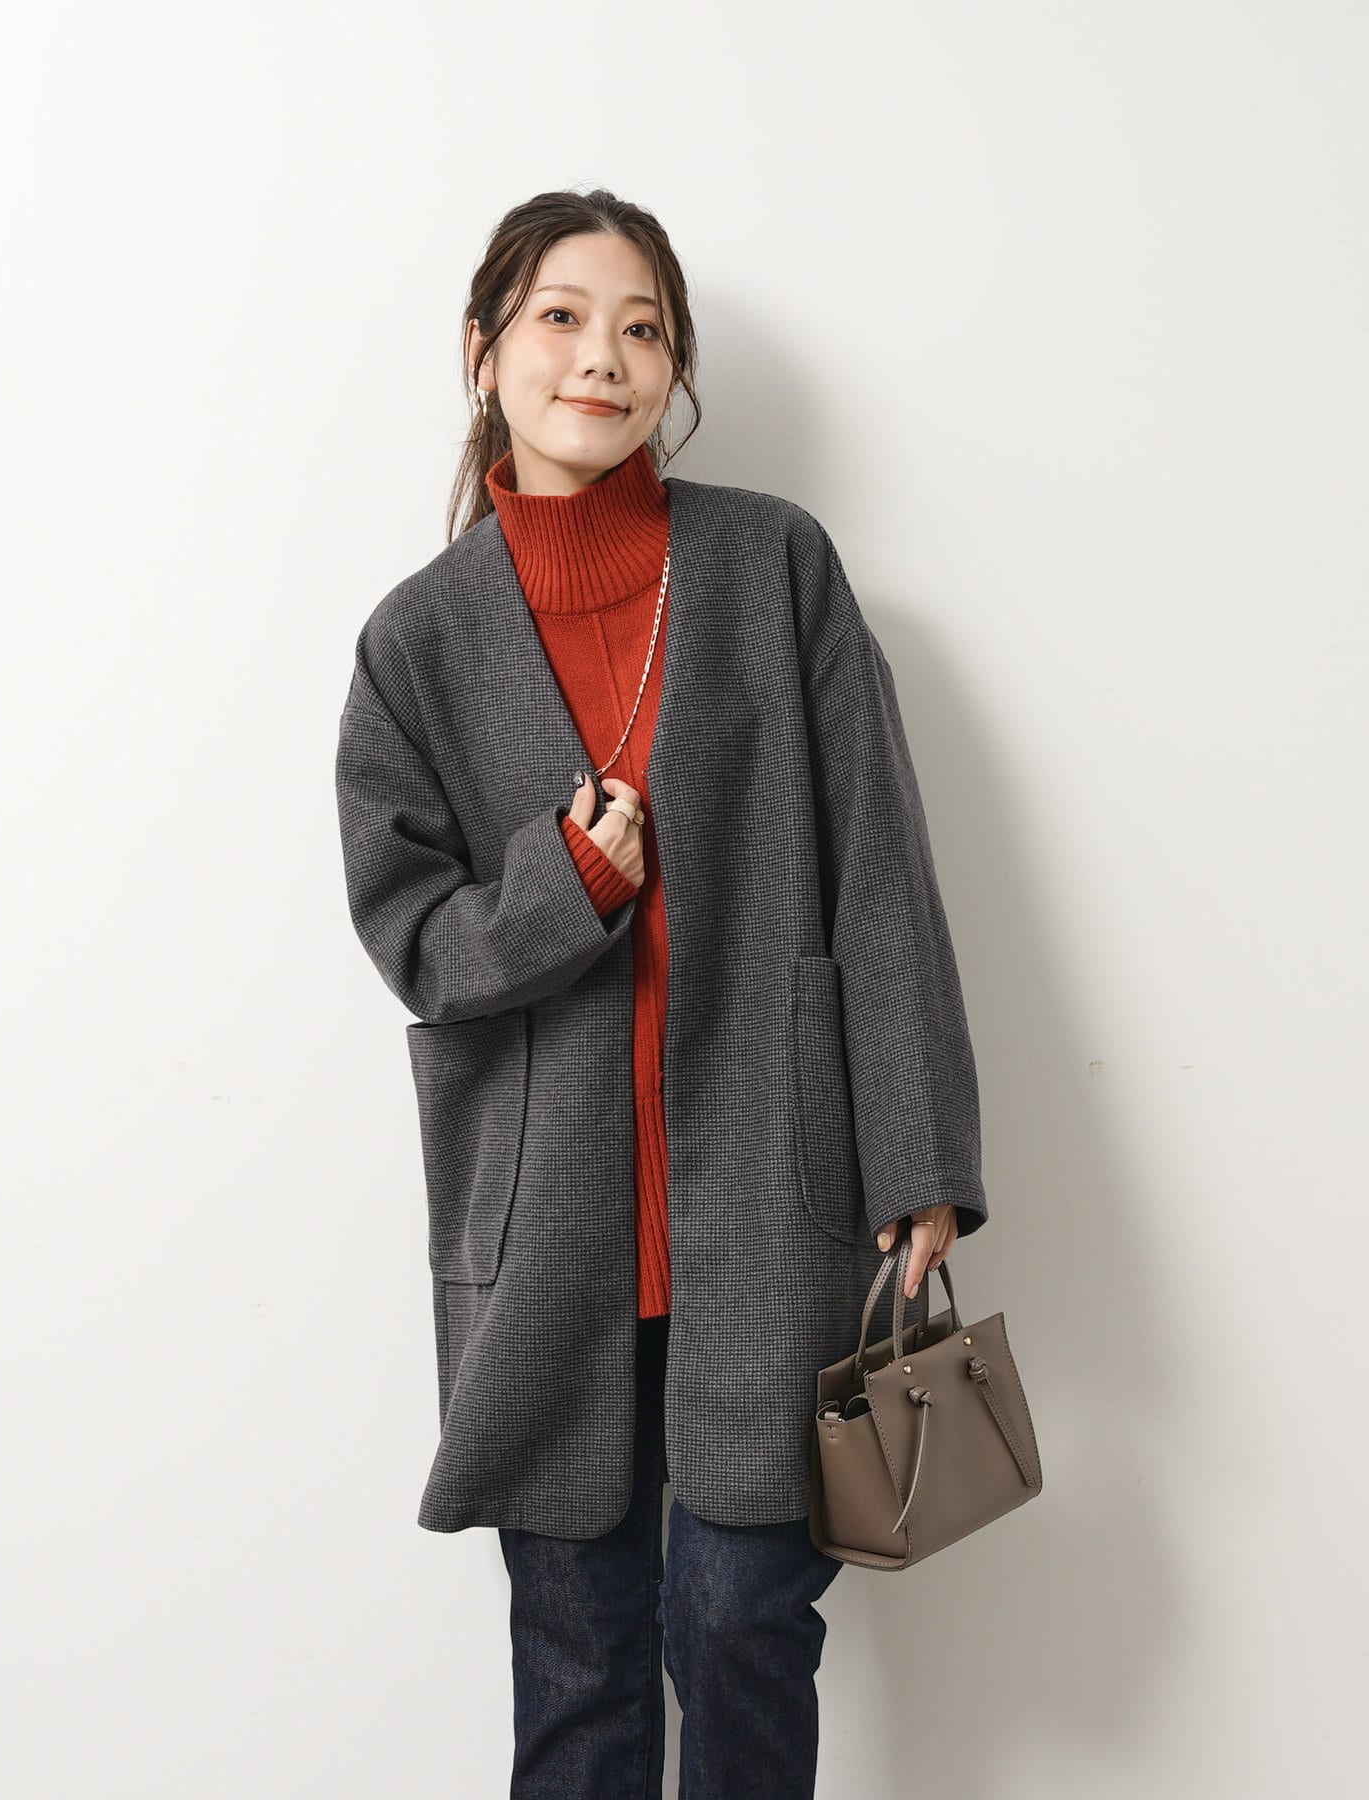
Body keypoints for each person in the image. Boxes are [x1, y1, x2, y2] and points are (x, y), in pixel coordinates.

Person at [334, 186, 987, 1799]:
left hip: (771, 1198)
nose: (602, 359)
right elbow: (417, 941)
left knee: (743, 1617)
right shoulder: (416, 644)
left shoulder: (773, 567)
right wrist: (568, 887)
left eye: (641, 329)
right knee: (580, 1658)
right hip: (549, 1237)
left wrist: (917, 1160)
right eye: (561, 318)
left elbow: (879, 872)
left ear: (675, 368)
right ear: (483, 351)